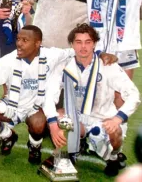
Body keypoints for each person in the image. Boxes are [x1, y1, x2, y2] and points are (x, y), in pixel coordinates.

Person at [43, 23, 140, 177]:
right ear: (72, 45)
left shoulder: (107, 65)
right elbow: (49, 96)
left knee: (113, 134)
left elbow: (133, 95)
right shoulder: (64, 66)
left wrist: (117, 119)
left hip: (104, 118)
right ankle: (73, 149)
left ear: (94, 44)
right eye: (78, 42)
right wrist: (53, 123)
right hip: (78, 118)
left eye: (88, 42)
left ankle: (114, 157)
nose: (83, 47)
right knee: (59, 117)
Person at [0, 25, 78, 165]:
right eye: (18, 39)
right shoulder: (9, 59)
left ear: (37, 43)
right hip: (11, 105)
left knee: (39, 124)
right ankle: (8, 136)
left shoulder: (51, 55)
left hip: (33, 108)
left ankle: (35, 146)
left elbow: (75, 51)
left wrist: (101, 54)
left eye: (25, 40)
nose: (19, 43)